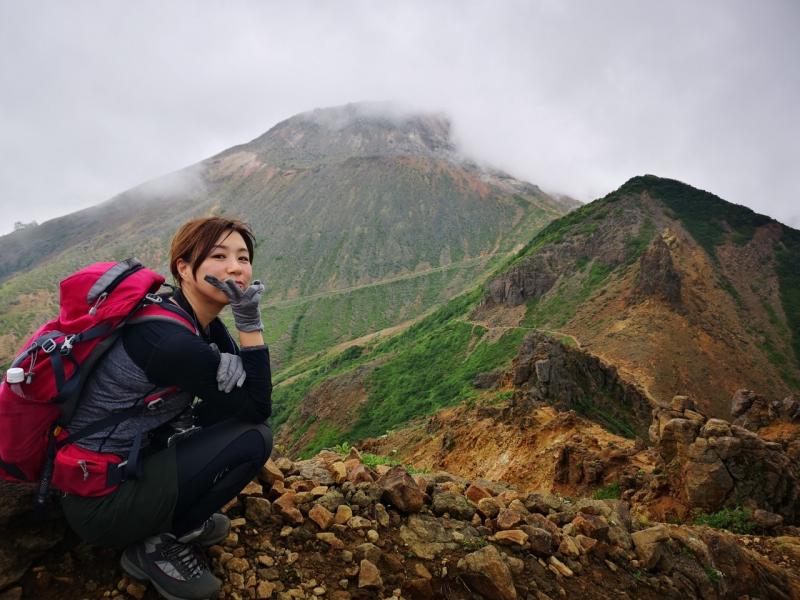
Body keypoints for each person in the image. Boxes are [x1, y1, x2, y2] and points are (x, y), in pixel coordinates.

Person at [60, 217, 273, 600]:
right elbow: (258, 408)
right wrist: (250, 323)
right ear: (183, 267)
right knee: (254, 439)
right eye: (219, 256)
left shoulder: (190, 318)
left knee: (233, 415)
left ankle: (174, 515)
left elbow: (244, 397)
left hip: (129, 461)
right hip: (102, 500)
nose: (235, 268)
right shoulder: (171, 342)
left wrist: (235, 362)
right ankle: (158, 546)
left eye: (243, 257)